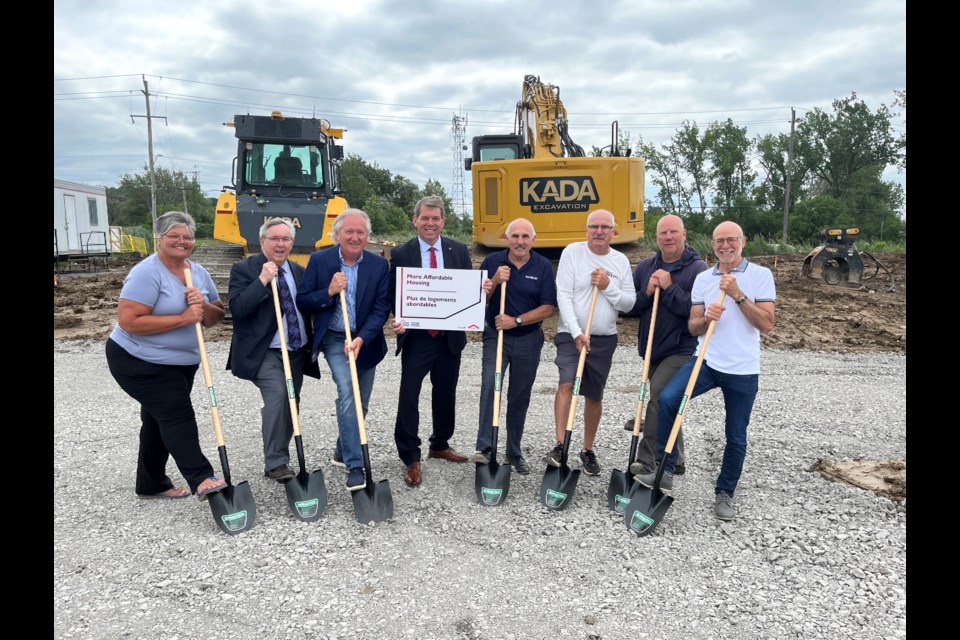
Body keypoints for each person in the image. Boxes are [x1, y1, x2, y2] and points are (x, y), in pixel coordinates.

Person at [635, 221, 776, 521]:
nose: (725, 246)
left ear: (743, 241)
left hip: (743, 370)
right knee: (668, 400)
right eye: (719, 241)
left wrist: (738, 295)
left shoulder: (760, 276)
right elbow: (693, 325)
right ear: (712, 244)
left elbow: (766, 323)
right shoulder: (703, 279)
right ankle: (666, 468)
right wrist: (706, 319)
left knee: (735, 435)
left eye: (731, 240)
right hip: (706, 362)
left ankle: (725, 493)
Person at [105, 211, 227, 502]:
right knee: (176, 414)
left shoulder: (197, 272)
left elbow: (215, 316)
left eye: (187, 237)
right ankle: (202, 477)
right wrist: (183, 317)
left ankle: (152, 483)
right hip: (138, 360)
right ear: (159, 238)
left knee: (157, 420)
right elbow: (129, 321)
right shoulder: (147, 273)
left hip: (181, 363)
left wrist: (202, 307)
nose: (181, 241)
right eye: (174, 235)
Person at [389, 195, 492, 488]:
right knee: (409, 395)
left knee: (445, 392)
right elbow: (393, 293)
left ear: (443, 221)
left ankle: (440, 443)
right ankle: (410, 456)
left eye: (436, 219)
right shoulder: (401, 253)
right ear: (415, 220)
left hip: (449, 337)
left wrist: (481, 290)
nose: (430, 223)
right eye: (425, 218)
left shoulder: (458, 250)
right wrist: (397, 317)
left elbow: (466, 291)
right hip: (417, 337)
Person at [296, 209, 391, 492]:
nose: (355, 237)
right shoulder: (320, 260)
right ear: (337, 234)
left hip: (366, 340)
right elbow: (303, 302)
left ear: (367, 236)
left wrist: (362, 338)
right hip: (335, 340)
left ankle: (340, 449)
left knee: (360, 403)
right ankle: (354, 464)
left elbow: (381, 308)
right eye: (349, 231)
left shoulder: (377, 265)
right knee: (347, 392)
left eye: (360, 232)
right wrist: (328, 291)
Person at [226, 218, 320, 483]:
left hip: (296, 350)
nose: (281, 244)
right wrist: (263, 280)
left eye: (286, 239)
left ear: (292, 242)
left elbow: (310, 306)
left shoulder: (299, 272)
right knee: (278, 396)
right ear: (262, 241)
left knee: (292, 402)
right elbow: (239, 309)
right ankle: (276, 462)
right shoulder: (244, 269)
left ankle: (279, 453)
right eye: (275, 239)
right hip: (264, 351)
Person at [547, 209, 637, 475]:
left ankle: (587, 449)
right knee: (567, 382)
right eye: (594, 226)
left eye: (604, 227)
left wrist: (608, 285)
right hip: (570, 335)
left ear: (613, 231)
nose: (599, 231)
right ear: (586, 229)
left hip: (604, 338)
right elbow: (562, 295)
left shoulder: (620, 261)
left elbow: (630, 303)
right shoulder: (572, 253)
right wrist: (576, 332)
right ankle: (561, 444)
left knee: (594, 395)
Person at [625, 214, 708, 476]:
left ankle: (647, 460)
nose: (668, 237)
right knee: (669, 403)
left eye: (673, 232)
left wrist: (670, 288)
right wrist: (647, 293)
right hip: (653, 349)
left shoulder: (698, 270)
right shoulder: (645, 267)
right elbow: (632, 309)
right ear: (657, 237)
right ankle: (676, 456)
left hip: (682, 349)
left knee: (659, 397)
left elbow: (696, 312)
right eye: (663, 233)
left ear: (684, 235)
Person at [472, 218, 557, 475]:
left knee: (519, 395)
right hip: (495, 337)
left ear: (533, 239)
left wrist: (516, 321)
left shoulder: (542, 266)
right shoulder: (492, 263)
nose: (520, 241)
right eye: (515, 236)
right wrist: (495, 281)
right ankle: (485, 448)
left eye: (525, 237)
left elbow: (548, 308)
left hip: (528, 338)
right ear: (506, 239)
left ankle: (513, 450)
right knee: (490, 385)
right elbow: (478, 300)